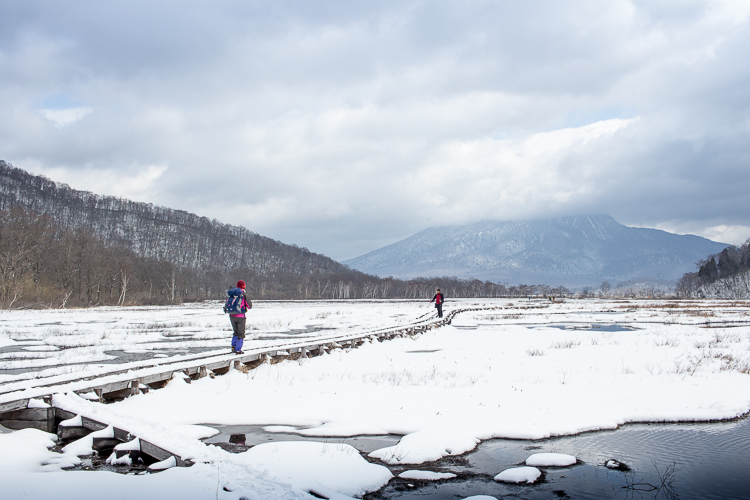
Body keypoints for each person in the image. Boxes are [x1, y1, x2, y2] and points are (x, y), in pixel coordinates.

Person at [229, 280, 252, 354]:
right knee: (241, 333)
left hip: (232, 315)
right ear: (243, 286)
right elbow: (249, 306)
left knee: (235, 332)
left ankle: (233, 346)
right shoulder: (243, 294)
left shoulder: (232, 293)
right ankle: (238, 349)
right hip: (241, 316)